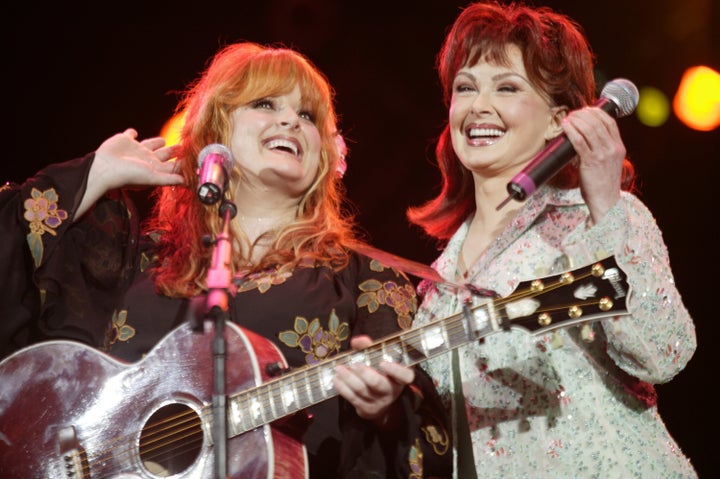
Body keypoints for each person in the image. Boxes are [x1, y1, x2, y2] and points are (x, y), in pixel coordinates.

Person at [0, 42, 452, 478]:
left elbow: (429, 438)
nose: (291, 121)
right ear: (216, 132)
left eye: (307, 115)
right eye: (266, 104)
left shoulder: (365, 280)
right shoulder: (133, 260)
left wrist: (386, 411)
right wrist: (94, 175)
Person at [407, 2, 698, 478]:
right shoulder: (436, 282)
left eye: (506, 87)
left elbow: (663, 350)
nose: (479, 105)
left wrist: (605, 204)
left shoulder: (599, 219)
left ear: (557, 120)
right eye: (465, 87)